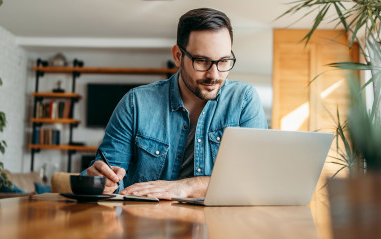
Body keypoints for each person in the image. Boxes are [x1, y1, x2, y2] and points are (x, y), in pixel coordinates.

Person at [81, 8, 267, 199]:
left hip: (219, 225)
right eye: (202, 61)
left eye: (224, 61)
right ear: (178, 56)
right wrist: (100, 181)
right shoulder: (135, 103)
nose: (214, 75)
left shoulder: (244, 100)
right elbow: (105, 175)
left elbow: (258, 178)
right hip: (145, 225)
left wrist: (187, 187)